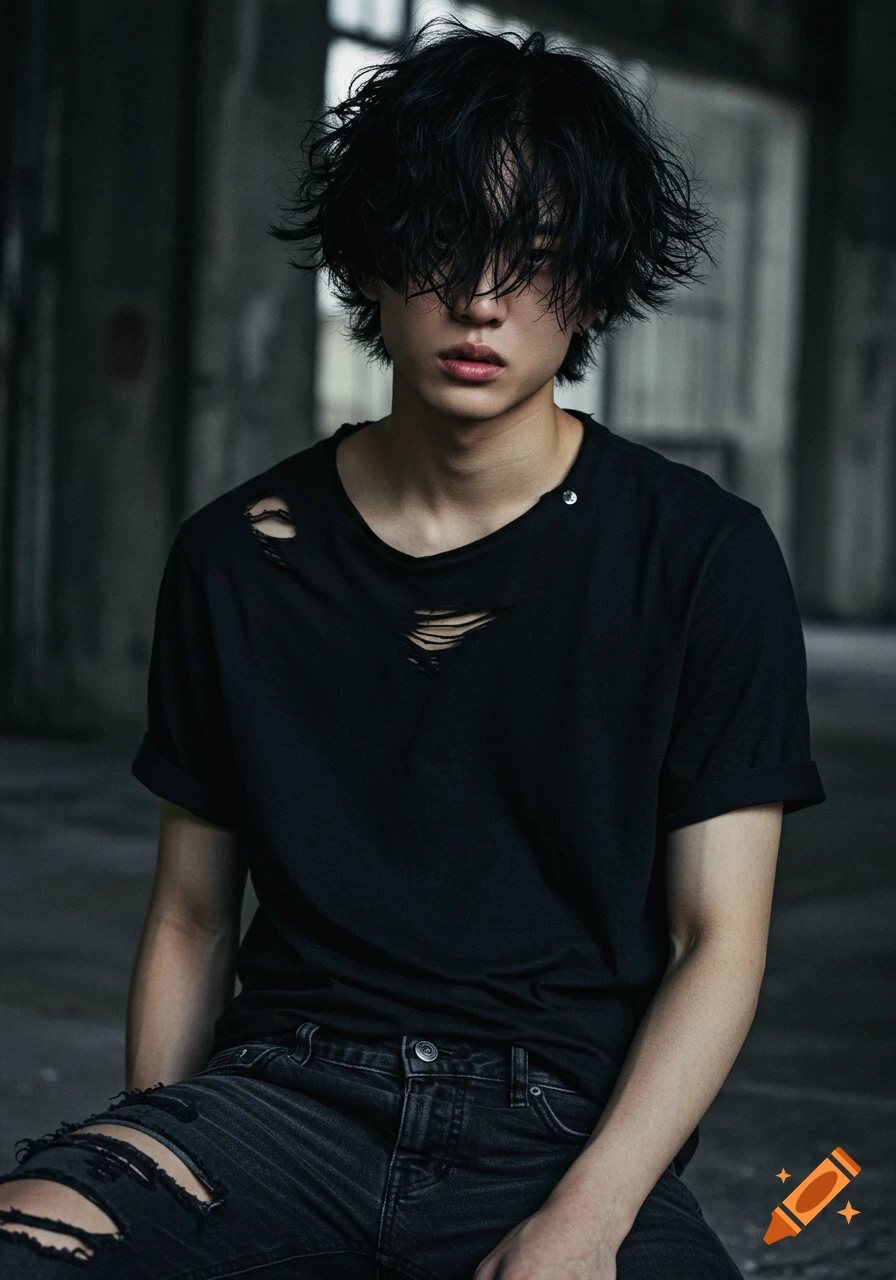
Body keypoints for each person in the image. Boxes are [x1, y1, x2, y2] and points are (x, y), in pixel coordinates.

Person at [0, 17, 826, 1279]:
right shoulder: (239, 555)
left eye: (533, 256)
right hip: (282, 1096)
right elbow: (190, 916)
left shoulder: (698, 555)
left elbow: (714, 940)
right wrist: (162, 1161)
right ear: (369, 259)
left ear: (592, 283)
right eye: (441, 243)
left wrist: (589, 1215)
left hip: (559, 1123)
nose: (480, 298)